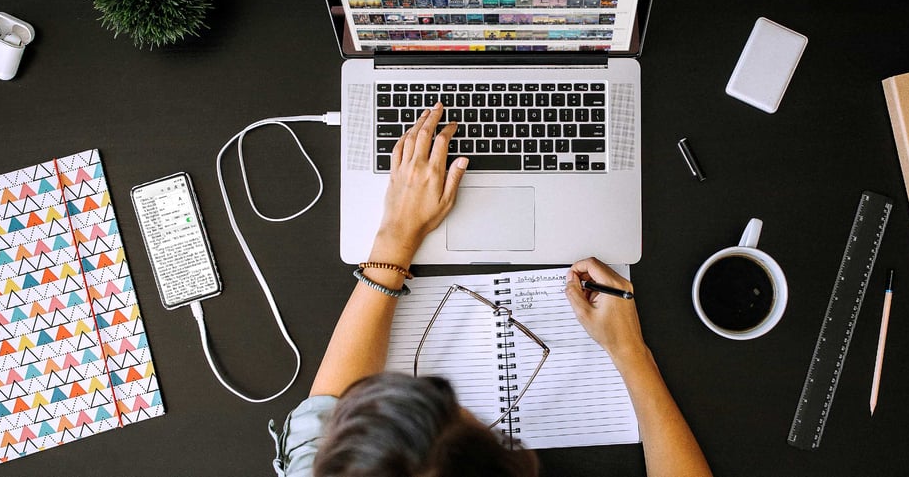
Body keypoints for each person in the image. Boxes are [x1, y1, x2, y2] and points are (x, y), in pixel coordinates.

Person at [270, 103, 712, 477]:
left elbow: (324, 415)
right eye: (461, 413)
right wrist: (632, 354)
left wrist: (396, 235)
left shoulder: (329, 465)